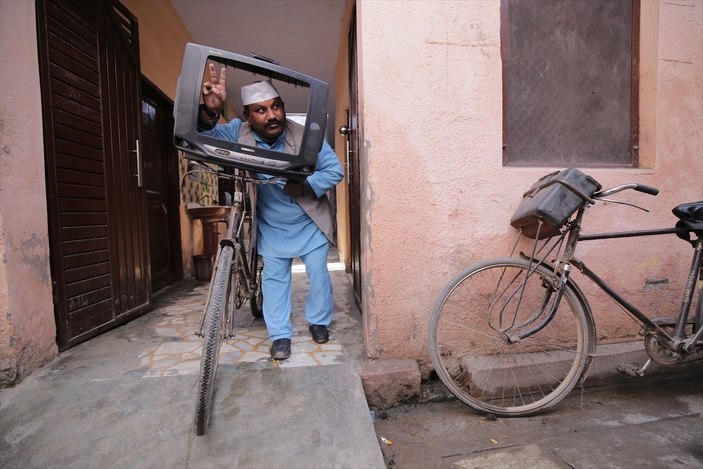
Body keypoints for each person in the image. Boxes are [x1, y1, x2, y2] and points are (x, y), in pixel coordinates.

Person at [198, 63, 344, 361]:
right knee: (275, 280)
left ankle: (318, 322)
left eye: (276, 107)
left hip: (309, 221)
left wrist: (305, 186)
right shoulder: (238, 133)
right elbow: (204, 136)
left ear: (283, 108)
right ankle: (280, 335)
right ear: (248, 117)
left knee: (318, 275)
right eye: (261, 110)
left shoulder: (306, 136)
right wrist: (211, 110)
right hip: (272, 225)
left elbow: (335, 170)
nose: (272, 114)